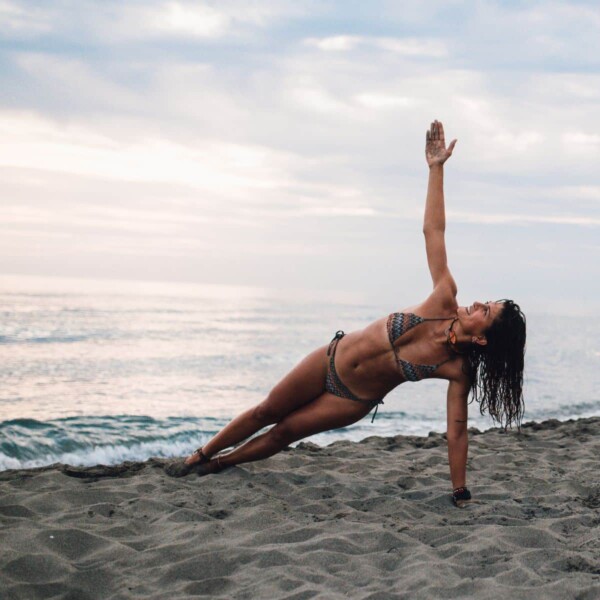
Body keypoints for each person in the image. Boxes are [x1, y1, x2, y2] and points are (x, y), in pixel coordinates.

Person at [167, 120, 526, 507]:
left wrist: (460, 491)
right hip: (331, 358)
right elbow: (433, 231)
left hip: (351, 398)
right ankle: (201, 455)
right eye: (485, 301)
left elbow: (457, 432)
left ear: (484, 336)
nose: (477, 303)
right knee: (266, 410)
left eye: (485, 310)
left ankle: (221, 464)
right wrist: (436, 169)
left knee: (283, 432)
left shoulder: (457, 370)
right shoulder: (444, 297)